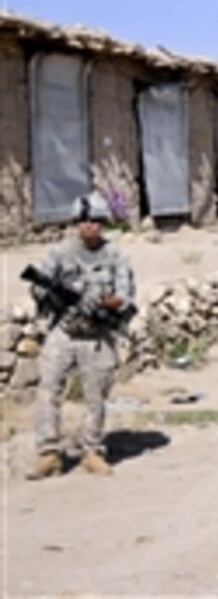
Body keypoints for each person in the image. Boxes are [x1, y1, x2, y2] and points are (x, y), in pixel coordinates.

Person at [26, 193, 135, 480]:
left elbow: (124, 297)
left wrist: (100, 302)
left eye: (95, 221)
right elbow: (39, 288)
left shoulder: (116, 256)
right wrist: (48, 293)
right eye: (83, 221)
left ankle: (92, 452)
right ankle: (48, 453)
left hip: (97, 336)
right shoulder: (59, 253)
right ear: (76, 223)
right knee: (49, 391)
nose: (89, 226)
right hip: (64, 331)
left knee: (95, 396)